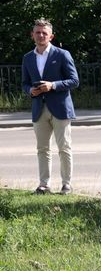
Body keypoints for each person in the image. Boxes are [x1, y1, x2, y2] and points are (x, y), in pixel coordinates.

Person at [21, 19, 79, 194]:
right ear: (32, 35)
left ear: (51, 36)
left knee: (64, 147)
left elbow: (74, 81)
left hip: (60, 108)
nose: (40, 35)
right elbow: (24, 83)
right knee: (42, 149)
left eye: (44, 33)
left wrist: (52, 85)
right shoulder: (28, 57)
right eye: (37, 32)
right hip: (39, 108)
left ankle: (66, 184)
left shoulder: (62, 54)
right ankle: (44, 184)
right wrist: (30, 90)